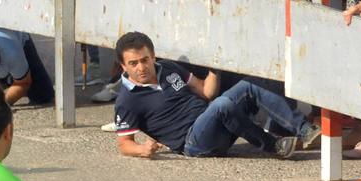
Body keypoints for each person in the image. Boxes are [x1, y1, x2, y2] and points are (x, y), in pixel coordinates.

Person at [112, 31, 312, 158]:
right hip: (193, 143)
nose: (141, 67)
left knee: (251, 84)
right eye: (133, 63)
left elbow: (206, 92)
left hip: (214, 121)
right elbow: (124, 144)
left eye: (145, 60)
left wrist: (215, 67)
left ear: (153, 56)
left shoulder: (167, 68)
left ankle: (305, 131)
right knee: (222, 105)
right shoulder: (127, 100)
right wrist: (142, 149)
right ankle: (274, 146)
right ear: (123, 66)